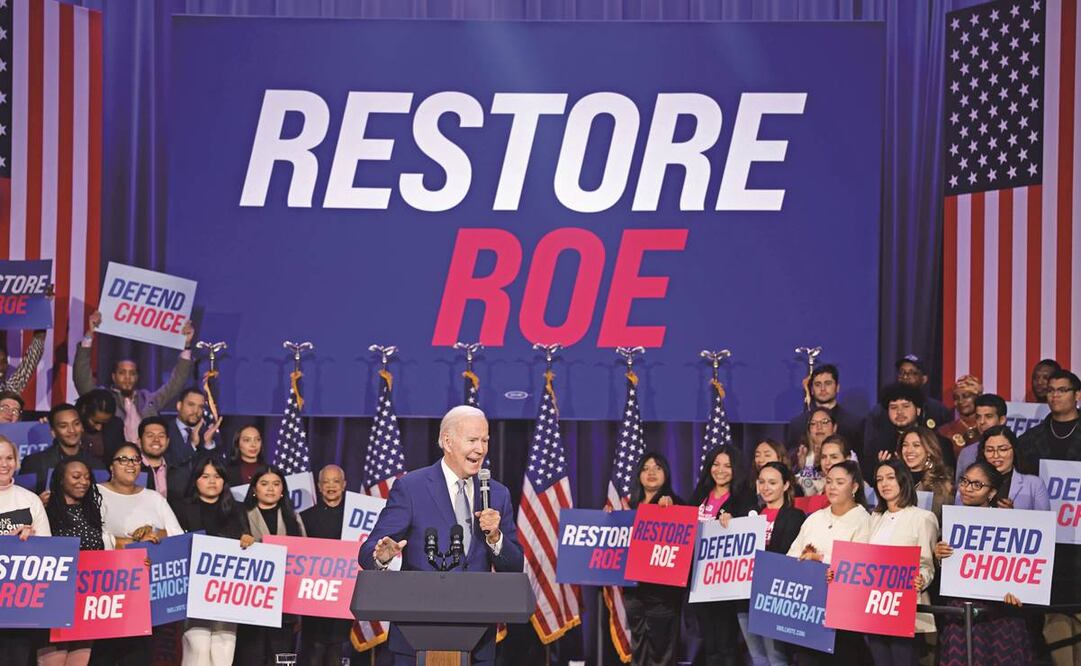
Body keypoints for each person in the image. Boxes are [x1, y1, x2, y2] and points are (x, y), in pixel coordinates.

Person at [359, 405, 524, 666]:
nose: (481, 449)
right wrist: (382, 556)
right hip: (416, 636)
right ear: (447, 441)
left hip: (477, 640)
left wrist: (495, 538)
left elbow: (514, 565)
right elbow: (367, 552)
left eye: (485, 440)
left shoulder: (497, 493)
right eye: (472, 440)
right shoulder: (411, 488)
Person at [935, 461, 1034, 665]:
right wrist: (939, 555)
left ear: (992, 492)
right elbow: (949, 569)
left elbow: (1021, 567)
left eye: (977, 484)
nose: (967, 488)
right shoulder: (953, 520)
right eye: (964, 481)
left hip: (1000, 613)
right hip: (962, 609)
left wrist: (1018, 591)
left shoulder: (1008, 523)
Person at [1018, 369, 1081, 664]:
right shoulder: (1030, 440)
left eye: (1062, 390)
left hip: (1079, 543)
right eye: (1051, 390)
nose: (1055, 395)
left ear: (1077, 395)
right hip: (1047, 544)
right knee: (1053, 620)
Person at [171, 457, 251, 666]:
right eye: (205, 476)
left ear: (224, 480)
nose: (212, 481)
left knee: (223, 650)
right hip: (193, 592)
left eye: (217, 476)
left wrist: (248, 540)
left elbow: (247, 543)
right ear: (196, 480)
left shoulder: (237, 509)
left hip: (227, 592)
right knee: (198, 649)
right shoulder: (182, 508)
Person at [787, 461, 870, 662]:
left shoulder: (864, 521)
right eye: (829, 481)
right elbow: (792, 555)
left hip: (844, 612)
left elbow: (859, 566)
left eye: (840, 482)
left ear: (854, 487)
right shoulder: (815, 518)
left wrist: (820, 559)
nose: (832, 487)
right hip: (808, 609)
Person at [74, 310, 195, 442]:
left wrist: (186, 345)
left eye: (132, 373)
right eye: (122, 373)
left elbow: (176, 383)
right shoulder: (103, 400)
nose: (127, 377)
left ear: (137, 377)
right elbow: (82, 378)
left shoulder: (148, 399)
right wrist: (89, 335)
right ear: (113, 376)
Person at [39, 458, 114, 666]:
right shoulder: (45, 511)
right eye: (76, 476)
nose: (83, 482)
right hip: (54, 600)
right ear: (60, 480)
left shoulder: (93, 511)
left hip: (87, 598)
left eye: (87, 477)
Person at [865, 460, 938, 665]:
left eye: (890, 477)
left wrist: (921, 579)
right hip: (875, 606)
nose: (884, 483)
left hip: (905, 607)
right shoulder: (875, 517)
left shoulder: (923, 518)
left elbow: (926, 565)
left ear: (903, 480)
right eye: (879, 479)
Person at [691, 445, 756, 666]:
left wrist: (735, 521)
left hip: (726, 583)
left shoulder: (743, 497)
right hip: (699, 580)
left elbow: (749, 531)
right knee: (709, 645)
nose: (720, 470)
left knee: (726, 645)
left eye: (727, 466)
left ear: (736, 469)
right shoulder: (700, 494)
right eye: (716, 464)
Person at [236, 466, 307, 666]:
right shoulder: (241, 516)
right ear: (254, 489)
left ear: (283, 490)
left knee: (281, 659)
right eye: (264, 483)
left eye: (276, 484)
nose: (270, 488)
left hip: (284, 605)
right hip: (251, 604)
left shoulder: (293, 518)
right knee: (251, 659)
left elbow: (305, 560)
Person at [737, 462, 805, 666]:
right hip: (745, 594)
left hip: (772, 595)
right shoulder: (750, 515)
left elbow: (786, 555)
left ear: (786, 485)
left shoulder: (795, 516)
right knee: (757, 657)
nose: (765, 487)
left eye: (772, 482)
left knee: (776, 658)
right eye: (762, 482)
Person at [620, 452, 683, 666]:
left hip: (662, 596)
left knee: (662, 653)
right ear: (639, 475)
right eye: (645, 469)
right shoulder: (630, 507)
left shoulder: (677, 504)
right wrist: (609, 519)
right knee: (639, 649)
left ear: (666, 473)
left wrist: (672, 512)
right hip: (634, 593)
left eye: (657, 467)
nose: (651, 473)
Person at [0, 435, 50, 663]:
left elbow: (49, 551)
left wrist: (32, 541)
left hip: (20, 604)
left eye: (9, 458)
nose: (4, 464)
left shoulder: (30, 500)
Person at [299, 464, 352, 666]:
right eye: (326, 482)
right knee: (314, 652)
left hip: (343, 596)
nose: (331, 486)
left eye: (336, 481)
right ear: (319, 486)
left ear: (344, 485)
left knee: (336, 654)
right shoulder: (305, 517)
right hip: (315, 596)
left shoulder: (354, 518)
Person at [21, 403, 105, 495]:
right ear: (53, 432)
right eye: (63, 426)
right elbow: (22, 499)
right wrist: (38, 501)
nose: (72, 430)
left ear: (82, 427)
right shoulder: (34, 463)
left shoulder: (97, 465)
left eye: (76, 424)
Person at [785, 364, 865, 456]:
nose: (823, 389)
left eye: (828, 383)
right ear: (811, 390)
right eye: (817, 384)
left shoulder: (853, 424)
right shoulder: (798, 424)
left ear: (837, 387)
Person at [973, 425, 1049, 510]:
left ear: (1014, 450)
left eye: (1003, 449)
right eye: (990, 450)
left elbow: (1043, 518)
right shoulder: (970, 482)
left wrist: (1012, 515)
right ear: (983, 453)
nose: (996, 455)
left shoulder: (1034, 484)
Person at [894, 426, 953, 519]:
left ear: (929, 450)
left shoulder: (942, 485)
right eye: (905, 445)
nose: (909, 450)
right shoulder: (894, 479)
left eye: (916, 445)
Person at [955, 393, 1009, 485]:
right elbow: (960, 489)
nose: (982, 422)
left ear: (1002, 420)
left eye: (988, 416)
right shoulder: (967, 454)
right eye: (978, 417)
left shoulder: (1016, 451)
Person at [164, 388, 221, 468]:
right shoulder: (164, 431)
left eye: (200, 407)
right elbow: (170, 464)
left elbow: (218, 468)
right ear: (179, 406)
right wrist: (192, 444)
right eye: (191, 405)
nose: (196, 411)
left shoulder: (208, 434)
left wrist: (208, 443)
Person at [138, 416, 190, 502]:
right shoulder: (132, 469)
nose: (156, 440)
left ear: (167, 442)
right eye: (150, 436)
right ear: (139, 442)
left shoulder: (179, 469)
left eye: (161, 436)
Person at [794, 407, 836, 496]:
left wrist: (818, 466)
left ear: (834, 427)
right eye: (813, 423)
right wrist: (802, 468)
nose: (819, 427)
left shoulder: (845, 453)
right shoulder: (800, 454)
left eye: (824, 422)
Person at [938, 375, 983, 458]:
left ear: (979, 397)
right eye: (956, 398)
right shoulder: (945, 431)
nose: (961, 401)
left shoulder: (988, 428)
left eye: (966, 396)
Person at [75, 389, 126, 461]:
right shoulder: (72, 424)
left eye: (104, 423)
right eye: (95, 422)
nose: (99, 428)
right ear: (84, 410)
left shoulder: (116, 426)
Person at [0, 329, 46, 393]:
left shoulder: (8, 389)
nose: (1, 367)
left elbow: (31, 360)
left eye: (4, 361)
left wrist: (40, 326)